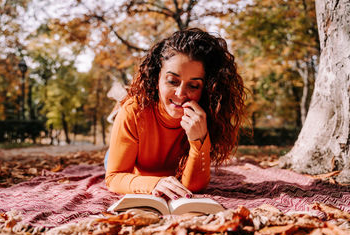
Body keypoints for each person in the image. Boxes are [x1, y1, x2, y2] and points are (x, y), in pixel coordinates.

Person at [105, 28, 246, 200]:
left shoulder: (205, 115)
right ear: (156, 79)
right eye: (172, 81)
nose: (180, 93)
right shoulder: (133, 111)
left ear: (206, 89)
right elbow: (114, 177)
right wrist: (154, 184)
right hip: (132, 159)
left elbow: (194, 186)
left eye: (193, 86)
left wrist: (198, 139)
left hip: (174, 173)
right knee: (111, 158)